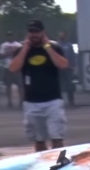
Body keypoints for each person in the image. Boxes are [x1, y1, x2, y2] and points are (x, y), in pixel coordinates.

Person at [8, 19, 69, 153]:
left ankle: (59, 166)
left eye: (37, 32)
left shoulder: (54, 47)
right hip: (31, 101)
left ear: (43, 32)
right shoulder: (21, 49)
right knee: (38, 140)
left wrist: (47, 47)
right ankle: (41, 168)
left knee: (57, 137)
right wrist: (25, 49)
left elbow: (63, 65)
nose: (34, 35)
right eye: (31, 32)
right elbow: (13, 68)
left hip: (53, 100)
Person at [0, 31, 23, 108]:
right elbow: (0, 55)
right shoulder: (3, 45)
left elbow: (22, 55)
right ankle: (9, 102)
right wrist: (9, 53)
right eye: (8, 36)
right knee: (8, 85)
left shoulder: (18, 45)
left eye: (11, 35)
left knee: (20, 85)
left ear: (14, 36)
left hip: (17, 68)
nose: (10, 37)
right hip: (7, 67)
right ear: (7, 37)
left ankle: (21, 101)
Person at [57, 31, 76, 107]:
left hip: (68, 68)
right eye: (60, 35)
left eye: (63, 35)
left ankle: (71, 101)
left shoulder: (69, 45)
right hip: (59, 68)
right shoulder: (56, 45)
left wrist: (73, 65)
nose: (61, 37)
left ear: (65, 36)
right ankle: (60, 102)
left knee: (69, 85)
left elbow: (72, 56)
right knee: (59, 85)